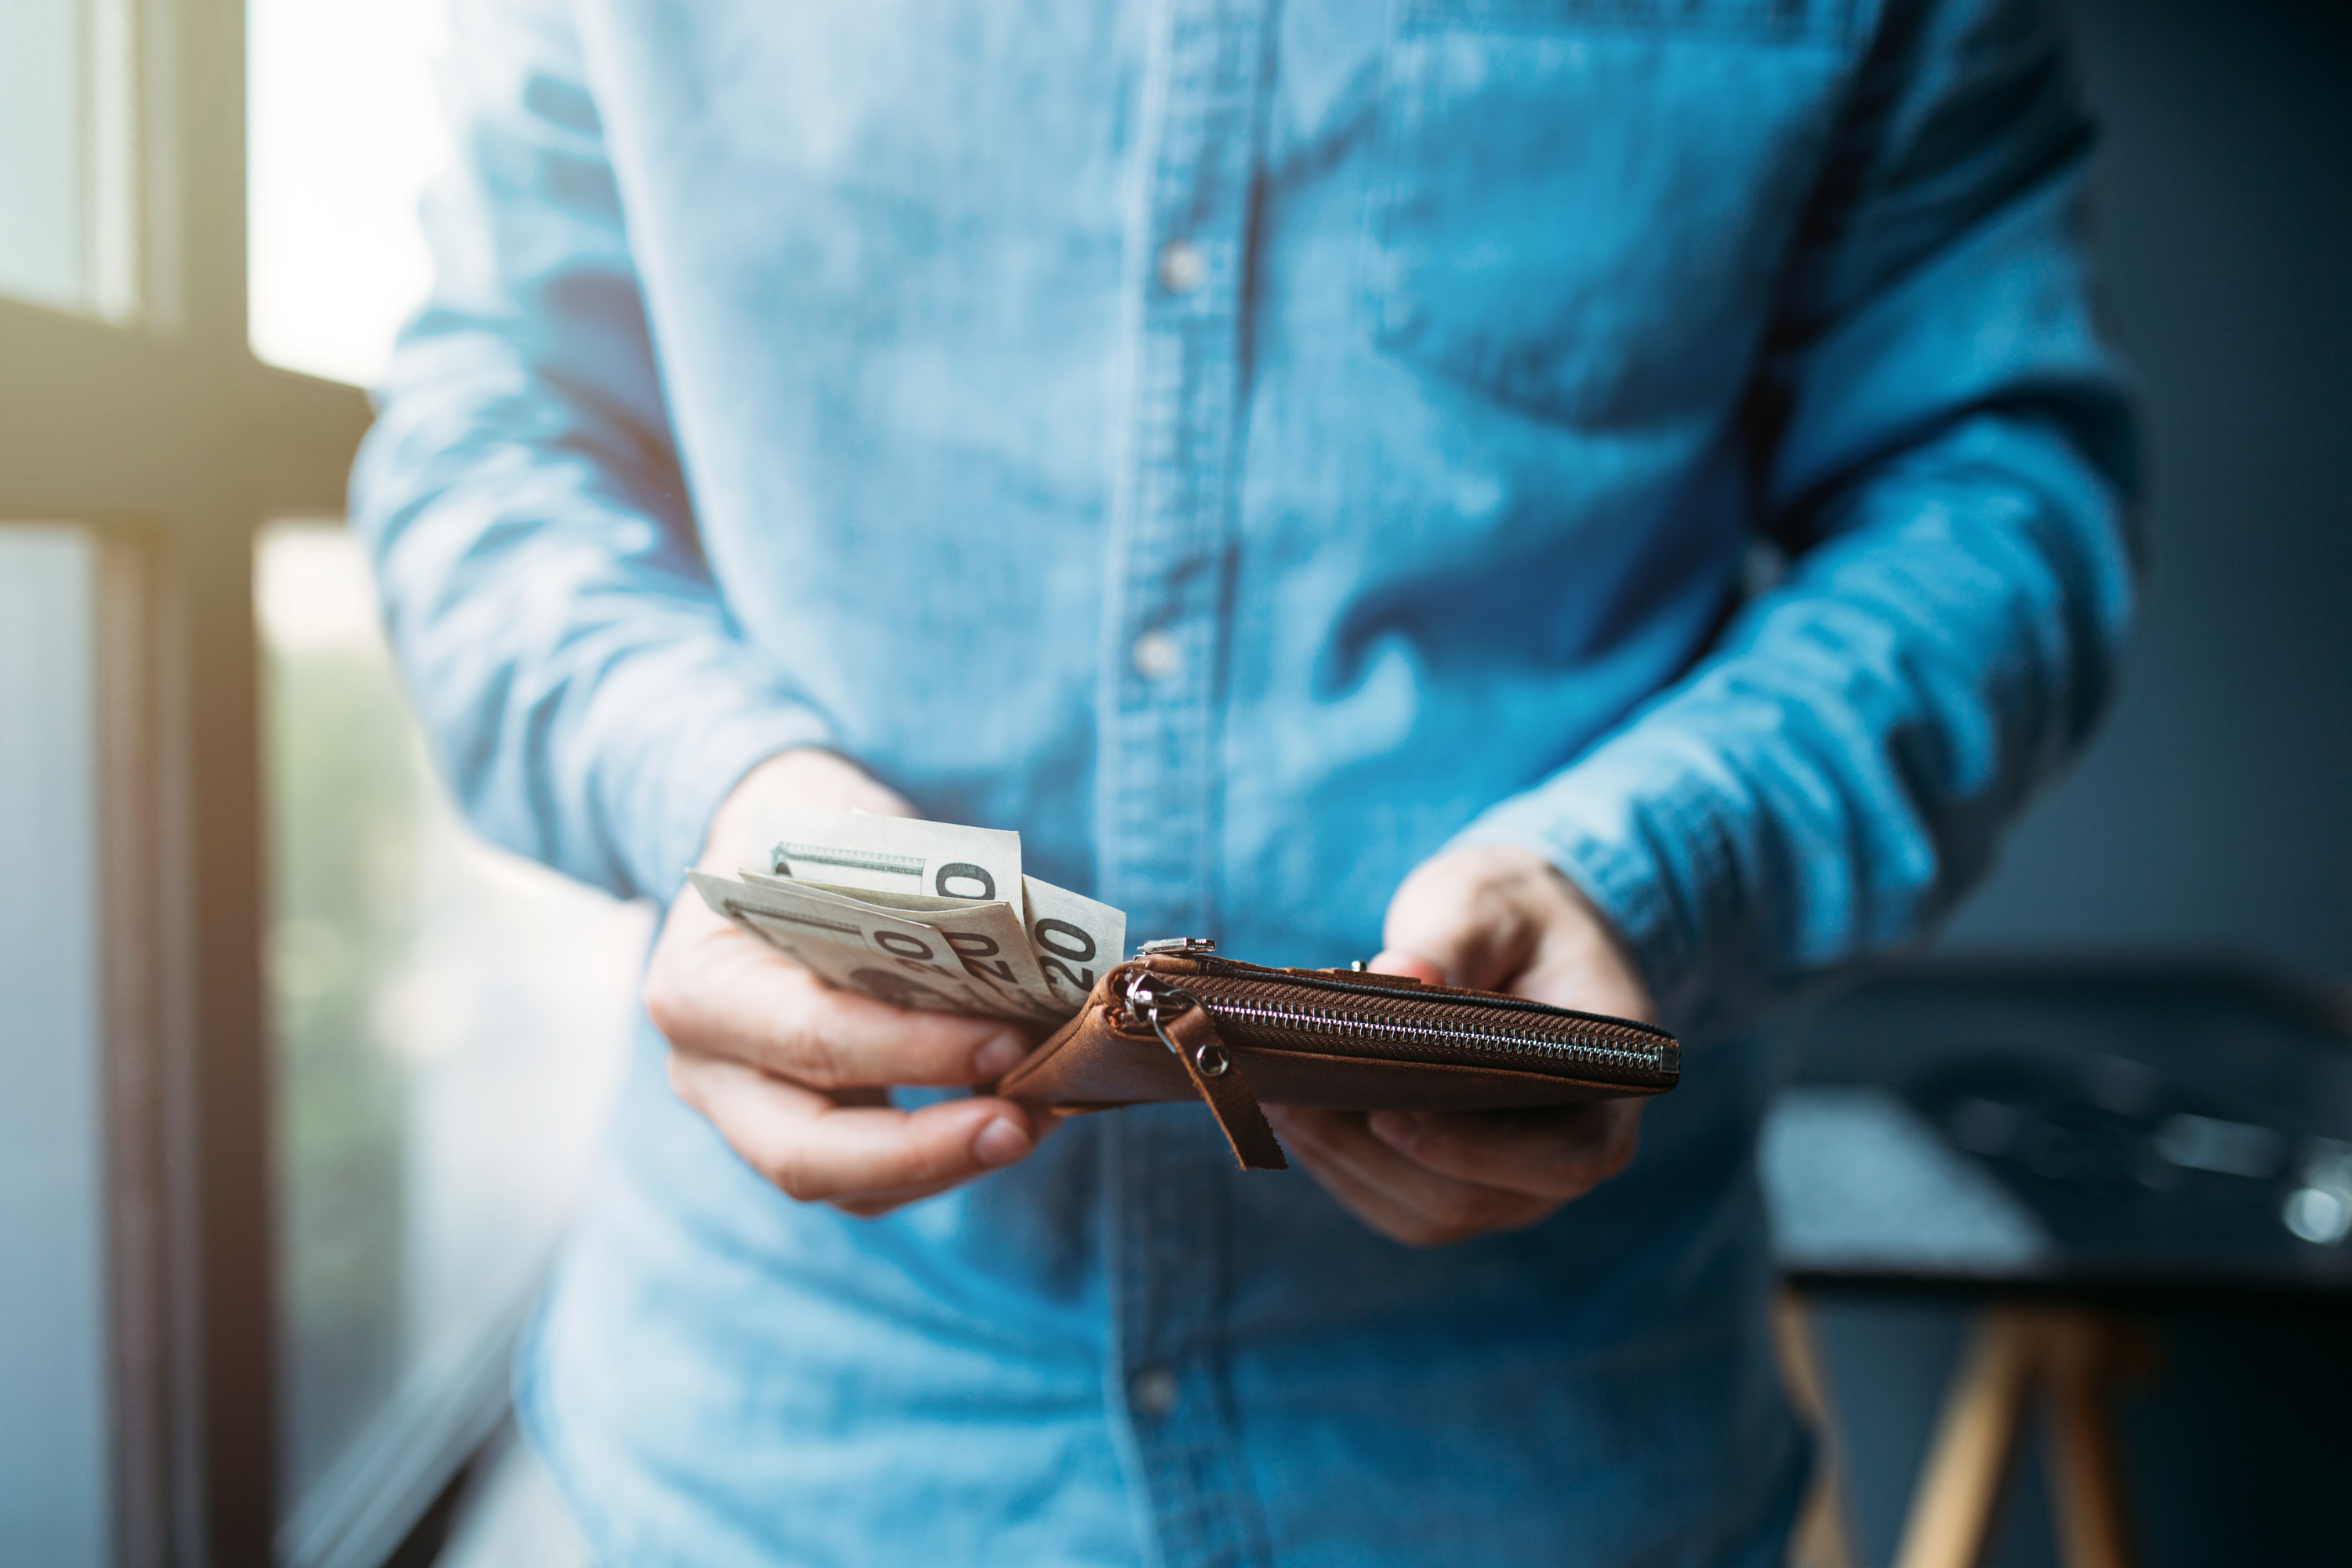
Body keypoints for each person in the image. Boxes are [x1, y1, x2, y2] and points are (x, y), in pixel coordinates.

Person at [354, 0, 2136, 1561]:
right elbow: (489, 441)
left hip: (1546, 1462)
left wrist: (1646, 865)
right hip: (771, 1453)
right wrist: (717, 793)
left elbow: (1995, 511)